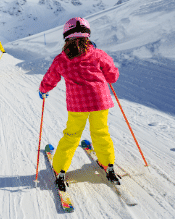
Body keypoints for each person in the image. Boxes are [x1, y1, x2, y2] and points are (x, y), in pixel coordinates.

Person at [38, 17, 120, 191]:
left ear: (66, 37)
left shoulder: (61, 59)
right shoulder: (99, 55)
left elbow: (51, 77)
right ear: (87, 35)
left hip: (77, 105)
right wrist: (109, 75)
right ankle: (109, 165)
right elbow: (112, 76)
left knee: (72, 135)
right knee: (101, 132)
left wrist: (44, 89)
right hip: (100, 102)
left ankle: (60, 170)